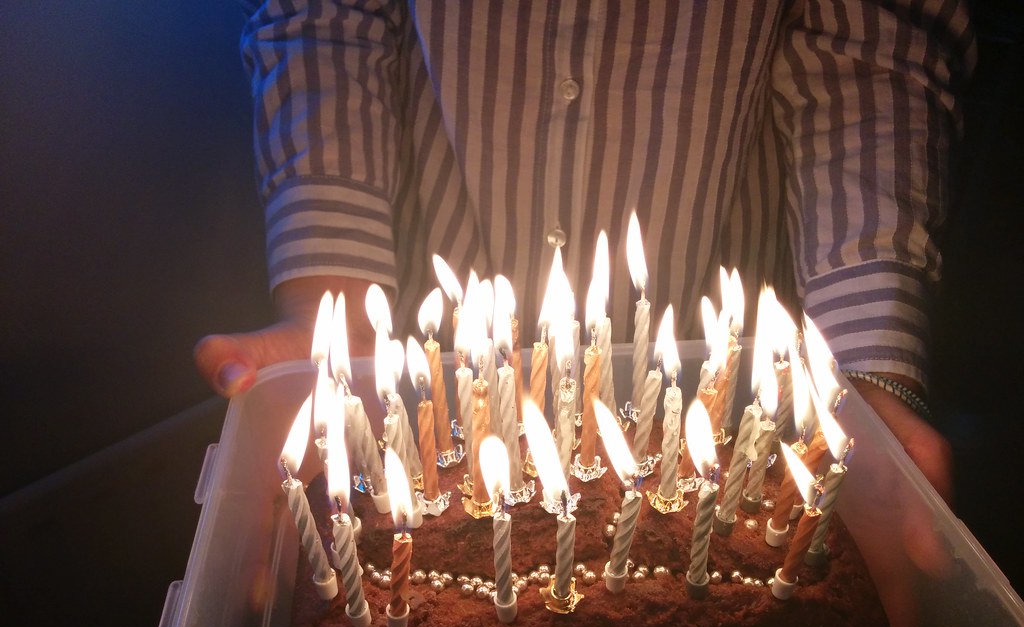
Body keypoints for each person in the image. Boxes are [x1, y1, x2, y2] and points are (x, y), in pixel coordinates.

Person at [195, 0, 973, 511]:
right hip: (418, 351)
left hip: (726, 363)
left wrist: (863, 375)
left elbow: (871, 47)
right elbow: (328, 16)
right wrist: (334, 313)